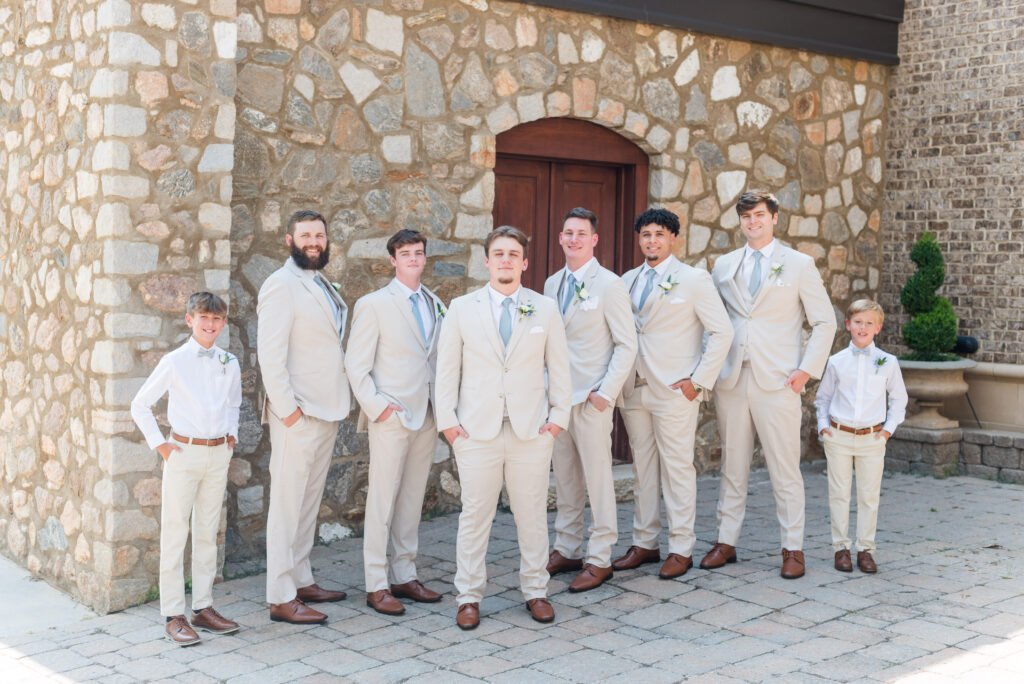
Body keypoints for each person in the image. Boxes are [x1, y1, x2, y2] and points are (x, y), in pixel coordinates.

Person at [435, 225, 572, 630]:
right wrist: (450, 425)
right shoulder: (462, 308)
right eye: (499, 254)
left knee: (531, 515)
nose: (506, 260)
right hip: (476, 432)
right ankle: (468, 597)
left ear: (524, 263)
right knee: (475, 515)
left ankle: (536, 591)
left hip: (532, 432)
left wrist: (557, 420)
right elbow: (446, 370)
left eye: (514, 254)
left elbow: (560, 368)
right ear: (487, 261)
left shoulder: (544, 309)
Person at [704, 190, 836, 579]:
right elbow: (714, 319)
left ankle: (792, 549)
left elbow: (825, 321)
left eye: (759, 215)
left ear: (774, 218)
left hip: (779, 381)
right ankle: (725, 542)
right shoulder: (724, 265)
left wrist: (806, 371)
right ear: (740, 221)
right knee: (733, 465)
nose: (753, 222)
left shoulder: (798, 264)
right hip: (732, 378)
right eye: (746, 217)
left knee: (784, 467)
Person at [612, 208, 734, 579]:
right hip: (634, 390)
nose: (652, 240)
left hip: (674, 391)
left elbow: (722, 332)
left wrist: (697, 381)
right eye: (646, 234)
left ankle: (681, 547)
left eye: (659, 235)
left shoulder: (693, 279)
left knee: (678, 469)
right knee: (644, 469)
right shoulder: (626, 280)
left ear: (672, 239)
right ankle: (645, 543)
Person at [130, 292, 241, 646]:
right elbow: (140, 404)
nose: (210, 325)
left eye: (217, 319)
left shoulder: (229, 361)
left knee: (208, 532)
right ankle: (174, 613)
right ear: (189, 320)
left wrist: (232, 436)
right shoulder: (175, 361)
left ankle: (203, 607)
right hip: (183, 452)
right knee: (176, 533)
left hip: (216, 454)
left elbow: (234, 403)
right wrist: (160, 444)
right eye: (203, 318)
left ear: (224, 323)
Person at [258, 209, 351, 625]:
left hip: (326, 410)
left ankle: (300, 577)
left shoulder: (321, 282)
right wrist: (289, 413)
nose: (314, 241)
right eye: (306, 235)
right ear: (289, 240)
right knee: (287, 504)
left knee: (308, 503)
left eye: (320, 235)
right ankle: (280, 596)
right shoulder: (281, 285)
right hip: (299, 413)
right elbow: (270, 356)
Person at [346, 229, 446, 615]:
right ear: (393, 260)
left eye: (419, 253)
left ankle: (405, 574)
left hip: (426, 413)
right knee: (383, 499)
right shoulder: (374, 304)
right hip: (391, 415)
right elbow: (356, 365)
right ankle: (376, 583)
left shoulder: (435, 302)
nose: (414, 259)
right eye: (406, 254)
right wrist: (378, 408)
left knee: (411, 499)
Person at [542, 208, 637, 592]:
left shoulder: (610, 285)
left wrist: (605, 393)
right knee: (565, 478)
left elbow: (627, 344)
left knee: (598, 480)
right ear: (561, 238)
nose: (574, 239)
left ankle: (600, 556)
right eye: (568, 233)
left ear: (594, 240)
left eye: (582, 233)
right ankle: (567, 547)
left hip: (592, 397)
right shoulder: (550, 284)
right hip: (559, 399)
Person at [814, 299, 907, 574]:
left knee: (869, 496)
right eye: (858, 322)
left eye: (869, 323)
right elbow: (823, 398)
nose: (862, 327)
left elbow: (899, 399)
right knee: (839, 494)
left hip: (872, 437)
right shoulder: (836, 361)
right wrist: (823, 427)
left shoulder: (888, 362)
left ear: (878, 328)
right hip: (839, 435)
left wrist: (887, 431)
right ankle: (840, 548)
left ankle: (866, 549)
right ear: (848, 325)